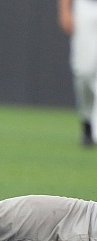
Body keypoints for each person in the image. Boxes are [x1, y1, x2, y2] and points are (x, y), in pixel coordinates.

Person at [58, 0, 97, 146]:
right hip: (85, 7)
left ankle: (94, 129)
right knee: (83, 71)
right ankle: (87, 119)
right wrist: (65, 10)